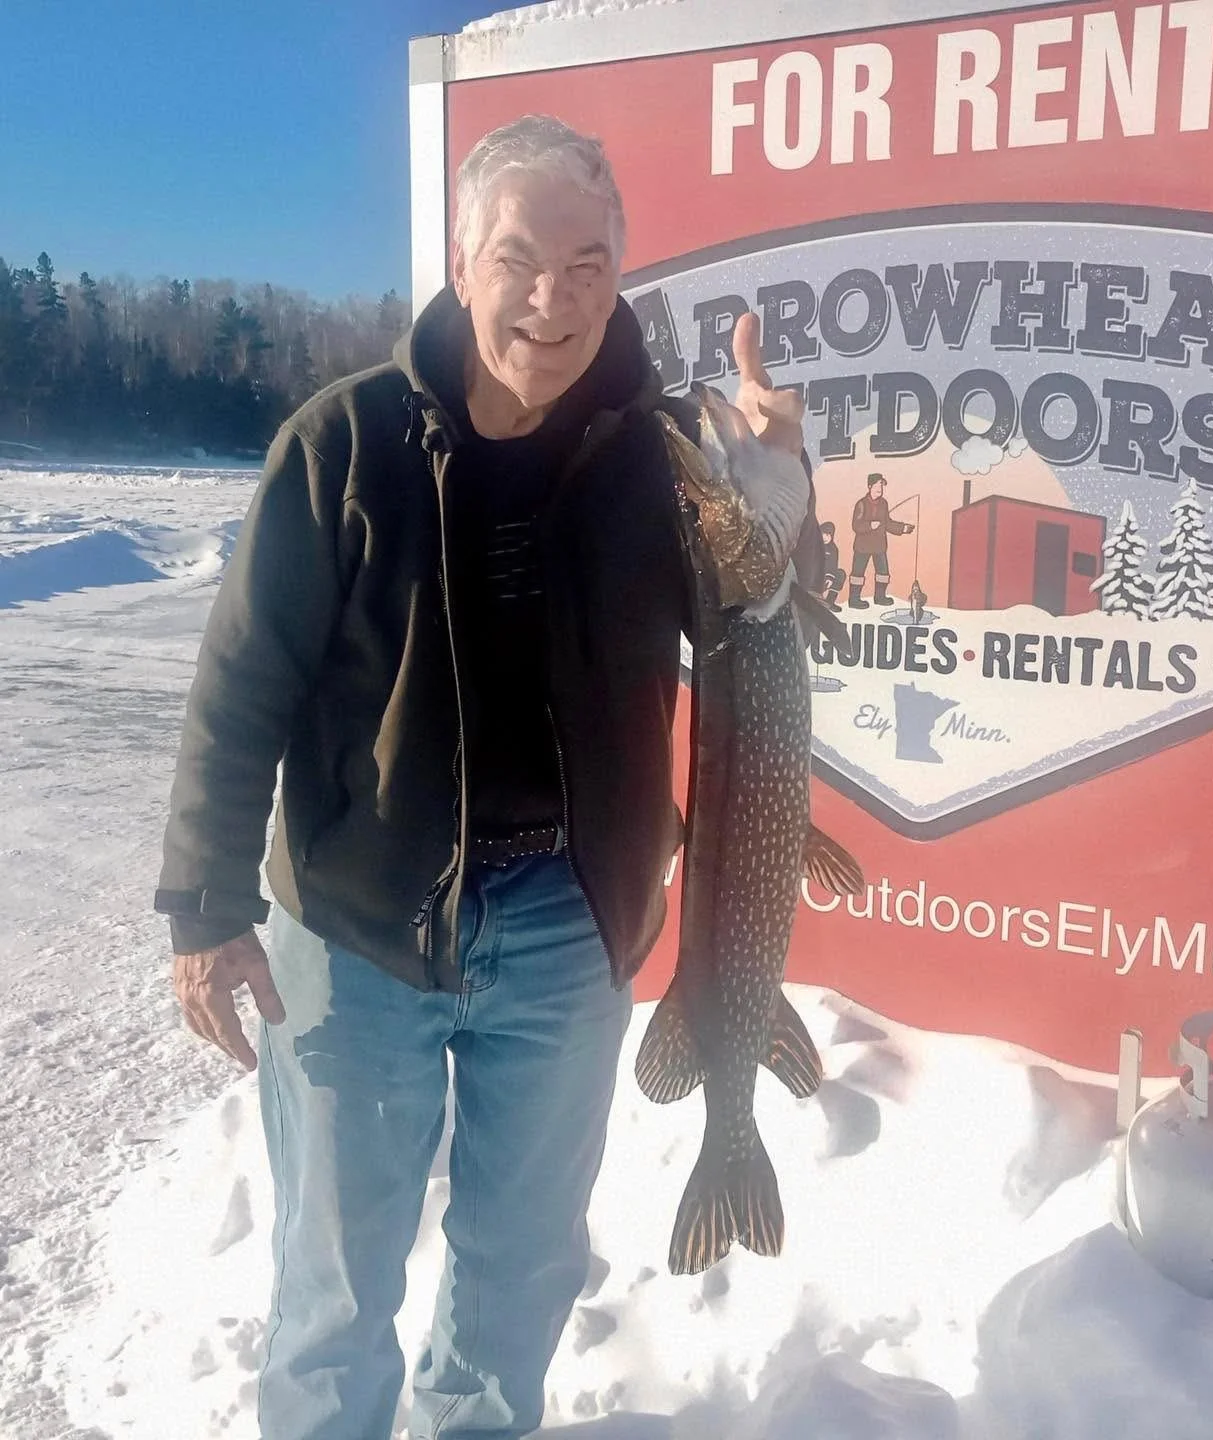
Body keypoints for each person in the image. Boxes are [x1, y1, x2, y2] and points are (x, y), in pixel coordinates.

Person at [156, 115, 819, 1440]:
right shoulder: (340, 444)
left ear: (619, 274)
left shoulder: (665, 458)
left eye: (588, 265)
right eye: (520, 258)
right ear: (464, 262)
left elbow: (761, 634)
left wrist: (785, 495)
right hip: (356, 929)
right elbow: (241, 689)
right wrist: (205, 906)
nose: (551, 300)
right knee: (336, 1297)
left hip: (568, 932)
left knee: (519, 1275)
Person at [848, 471, 913, 609]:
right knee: (857, 574)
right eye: (877, 485)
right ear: (869, 486)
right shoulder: (861, 504)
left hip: (879, 546)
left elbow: (887, 523)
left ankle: (880, 597)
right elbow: (856, 525)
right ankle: (854, 600)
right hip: (863, 546)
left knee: (883, 573)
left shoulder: (884, 503)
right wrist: (869, 525)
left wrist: (903, 528)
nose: (880, 489)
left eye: (882, 486)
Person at [817, 519, 845, 611]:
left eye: (827, 535)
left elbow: (833, 565)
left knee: (840, 573)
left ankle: (829, 603)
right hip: (813, 578)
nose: (825, 537)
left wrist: (830, 578)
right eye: (822, 534)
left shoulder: (833, 549)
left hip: (827, 577)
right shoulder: (814, 546)